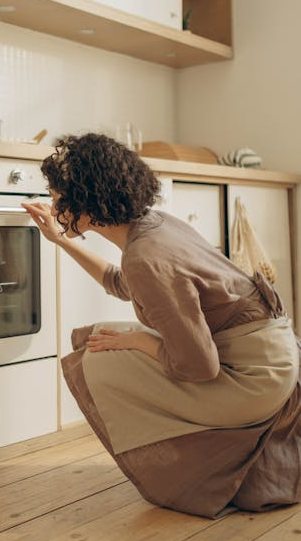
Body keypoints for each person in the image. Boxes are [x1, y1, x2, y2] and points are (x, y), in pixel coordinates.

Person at [22, 133, 301, 518]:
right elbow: (123, 284)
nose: (53, 206)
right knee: (109, 337)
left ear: (85, 202)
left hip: (255, 380)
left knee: (99, 355)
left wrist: (138, 341)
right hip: (276, 359)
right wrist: (61, 241)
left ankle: (184, 473)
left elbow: (201, 366)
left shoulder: (146, 256)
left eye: (57, 196)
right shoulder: (156, 225)